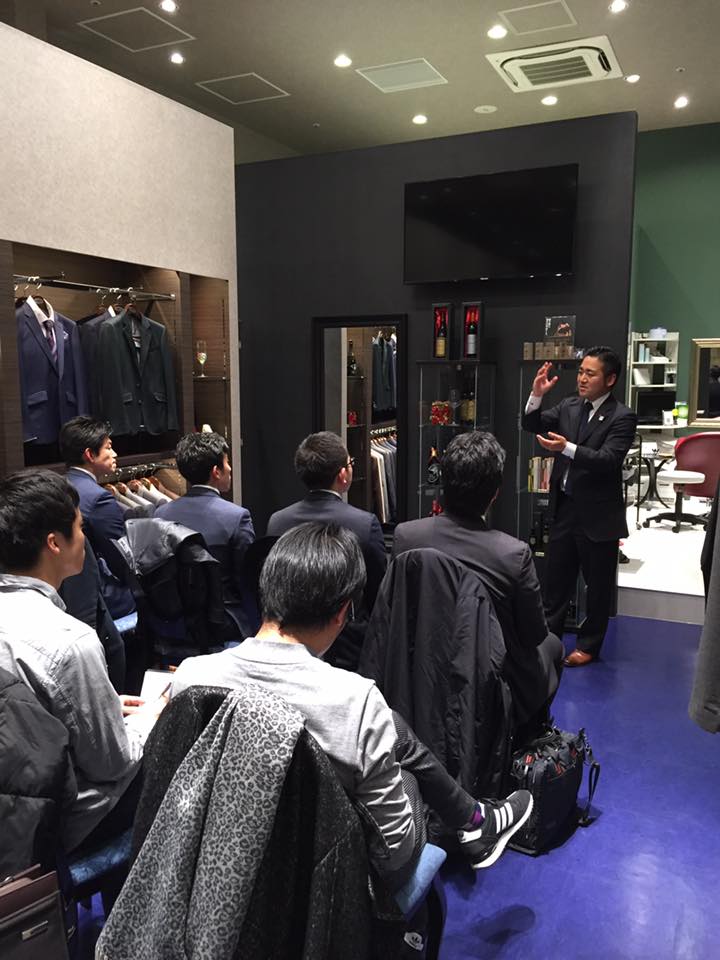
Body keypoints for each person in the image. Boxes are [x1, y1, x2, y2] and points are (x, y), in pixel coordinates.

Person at [172, 522, 532, 879]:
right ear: (343, 612)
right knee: (405, 771)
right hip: (323, 880)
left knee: (393, 730)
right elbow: (393, 852)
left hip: (219, 858)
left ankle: (474, 819)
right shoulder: (355, 701)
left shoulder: (191, 677)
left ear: (265, 586)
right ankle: (474, 821)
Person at [0, 471, 161, 852]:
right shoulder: (69, 641)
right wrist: (152, 716)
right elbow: (113, 764)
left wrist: (105, 705)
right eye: (79, 527)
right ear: (54, 543)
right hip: (60, 821)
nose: (85, 538)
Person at [392, 431, 564, 734]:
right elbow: (534, 634)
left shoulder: (406, 536)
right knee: (554, 646)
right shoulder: (512, 554)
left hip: (421, 668)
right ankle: (524, 736)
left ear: (444, 481)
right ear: (495, 493)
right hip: (489, 682)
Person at [522, 346, 637, 667]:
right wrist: (536, 395)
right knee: (555, 583)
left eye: (591, 374)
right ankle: (549, 641)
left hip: (599, 517)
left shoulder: (622, 416)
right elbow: (532, 424)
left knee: (597, 588)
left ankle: (589, 646)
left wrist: (567, 448)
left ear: (610, 379)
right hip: (565, 508)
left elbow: (608, 460)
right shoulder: (569, 405)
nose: (582, 379)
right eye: (581, 372)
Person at [266, 431, 387, 670]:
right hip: (349, 645)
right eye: (350, 463)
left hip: (290, 637)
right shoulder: (364, 524)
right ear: (342, 474)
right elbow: (377, 590)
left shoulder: (277, 522)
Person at [154, 432, 256, 640]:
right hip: (224, 623)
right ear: (216, 472)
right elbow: (247, 580)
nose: (230, 469)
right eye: (227, 463)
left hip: (174, 624)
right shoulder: (237, 517)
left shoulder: (160, 514)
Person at [59, 416, 137, 619]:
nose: (115, 454)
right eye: (108, 448)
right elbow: (121, 559)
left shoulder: (58, 485)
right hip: (97, 597)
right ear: (90, 455)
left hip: (61, 592)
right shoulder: (99, 498)